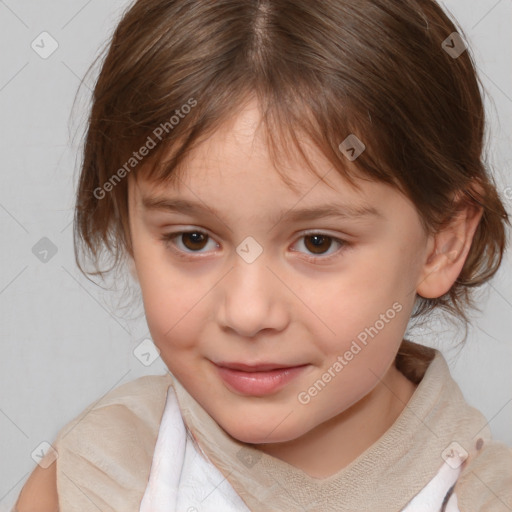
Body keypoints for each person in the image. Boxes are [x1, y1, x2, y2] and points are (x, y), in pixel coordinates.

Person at [13, 0, 512, 510]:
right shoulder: (90, 479)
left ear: (443, 242)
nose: (248, 313)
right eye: (193, 239)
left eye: (318, 242)